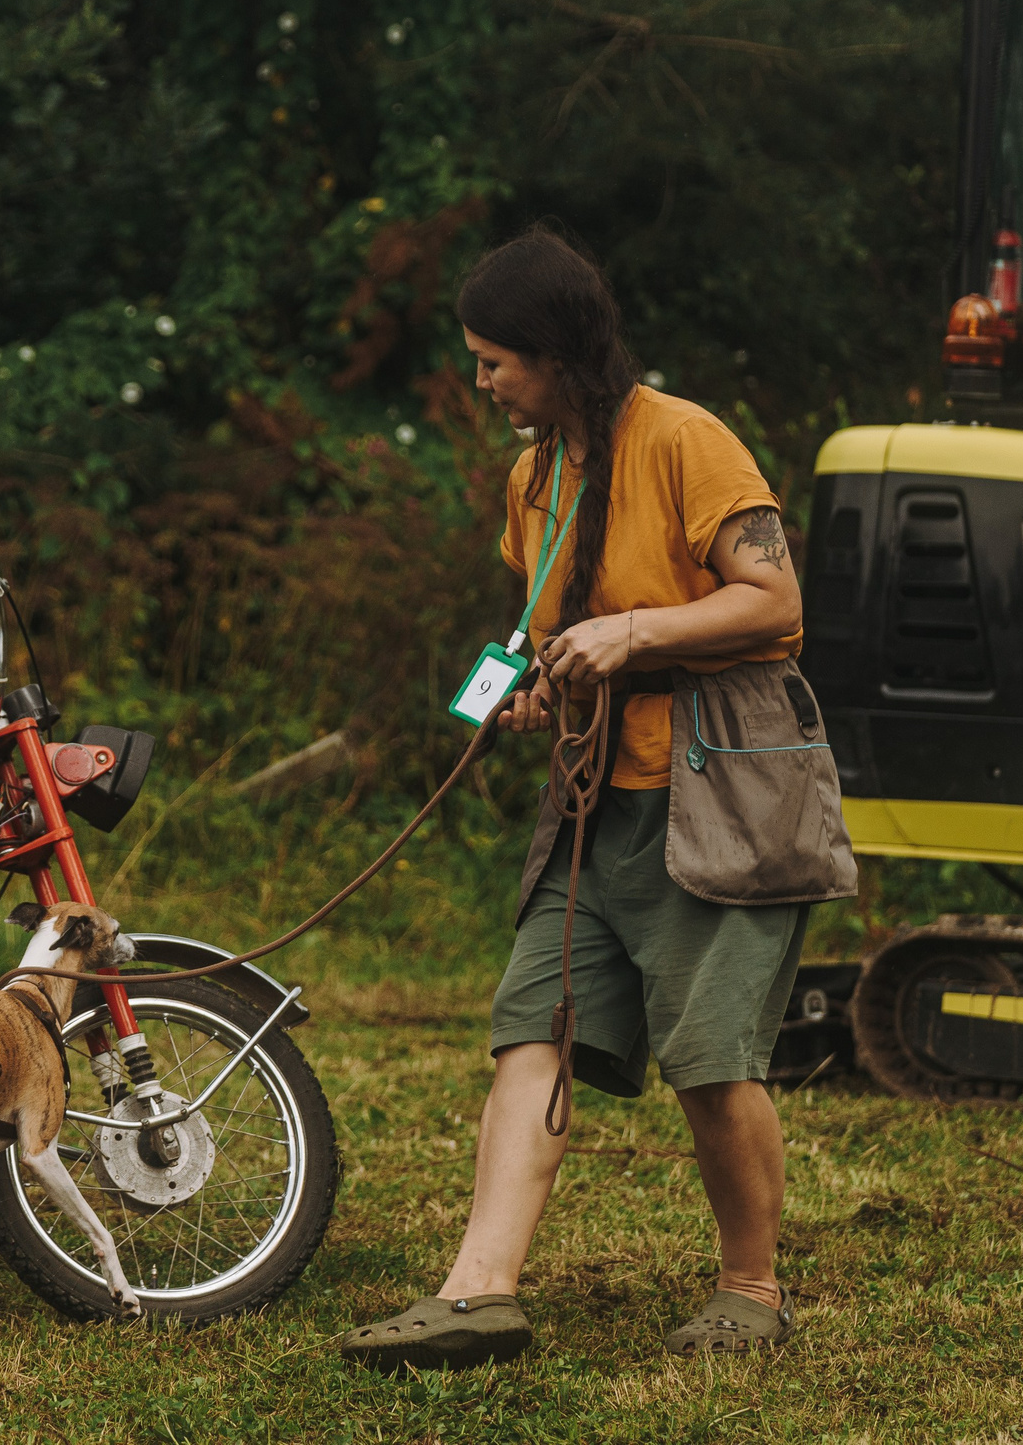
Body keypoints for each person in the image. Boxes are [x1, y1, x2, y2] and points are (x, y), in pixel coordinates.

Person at [337, 227, 856, 1370]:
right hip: (594, 807)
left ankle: (750, 1286)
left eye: (493, 359)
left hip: (723, 799)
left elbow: (772, 603)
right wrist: (512, 692)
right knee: (534, 1032)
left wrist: (632, 633)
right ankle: (478, 1292)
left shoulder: (686, 438)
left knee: (712, 1061)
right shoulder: (536, 476)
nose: (482, 380)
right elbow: (537, 633)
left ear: (556, 351)